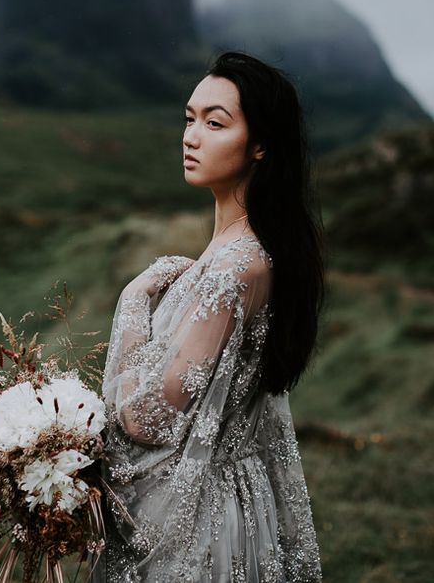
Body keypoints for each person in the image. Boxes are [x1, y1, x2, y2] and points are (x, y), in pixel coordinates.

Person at [93, 51, 324, 582]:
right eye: (189, 118)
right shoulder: (234, 255)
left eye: (215, 123)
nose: (191, 136)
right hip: (218, 499)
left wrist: (132, 301)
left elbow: (147, 419)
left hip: (199, 524)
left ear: (261, 144)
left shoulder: (236, 269)